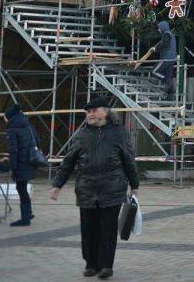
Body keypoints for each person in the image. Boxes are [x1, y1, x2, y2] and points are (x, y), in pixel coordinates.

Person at [50, 96, 139, 280]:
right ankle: (91, 264)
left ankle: (106, 265)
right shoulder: (81, 135)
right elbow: (68, 162)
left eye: (94, 110)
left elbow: (128, 160)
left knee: (107, 229)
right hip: (87, 189)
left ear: (105, 111)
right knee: (88, 230)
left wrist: (134, 184)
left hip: (112, 188)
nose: (91, 114)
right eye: (88, 112)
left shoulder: (119, 133)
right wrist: (57, 185)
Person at [4, 103, 36, 226]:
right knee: (22, 188)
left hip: (20, 163)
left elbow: (13, 150)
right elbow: (37, 140)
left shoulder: (12, 128)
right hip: (29, 161)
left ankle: (25, 219)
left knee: (21, 189)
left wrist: (12, 167)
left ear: (10, 117)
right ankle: (28, 213)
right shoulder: (27, 125)